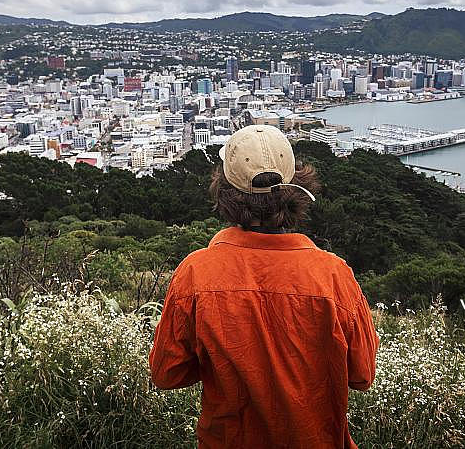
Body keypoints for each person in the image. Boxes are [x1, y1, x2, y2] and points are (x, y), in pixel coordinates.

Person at [149, 124, 379, 448]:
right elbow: (362, 374)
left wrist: (227, 361)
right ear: (296, 187)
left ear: (225, 190)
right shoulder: (333, 276)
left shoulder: (196, 274)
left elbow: (166, 373)